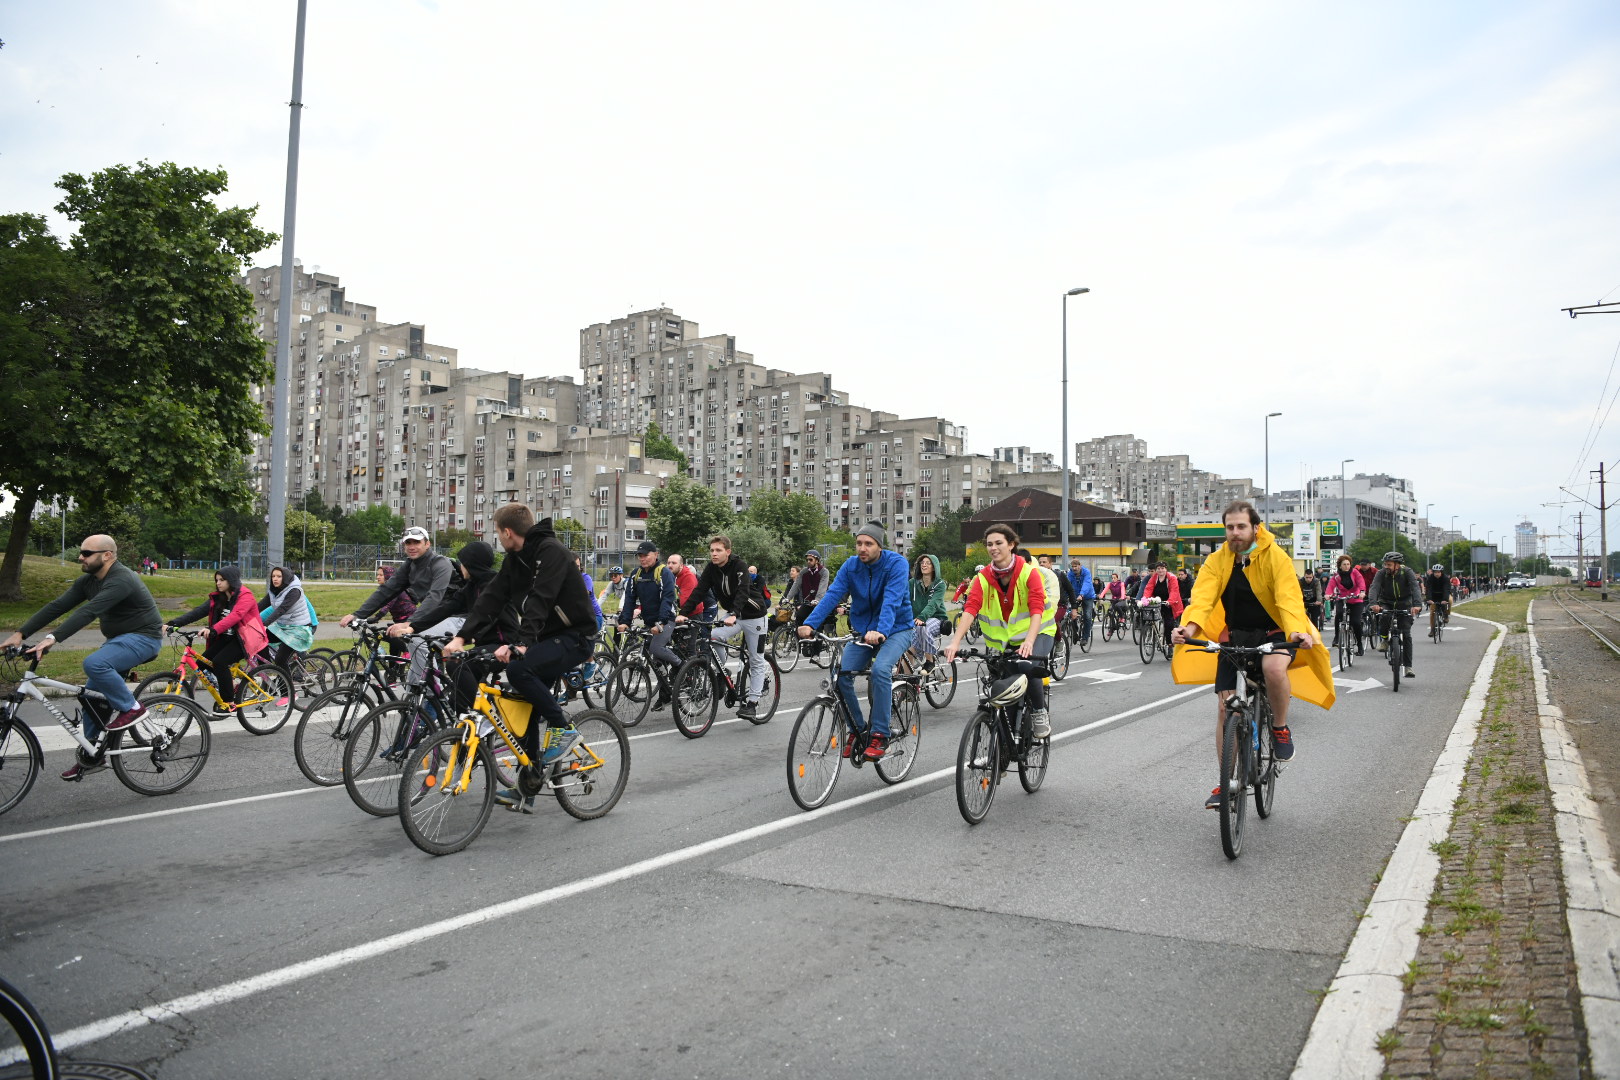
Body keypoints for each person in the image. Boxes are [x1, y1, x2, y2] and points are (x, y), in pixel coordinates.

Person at [1170, 501, 1333, 809]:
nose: (1235, 533)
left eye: (1241, 526)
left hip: (1275, 630)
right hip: (1236, 635)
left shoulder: (1275, 557)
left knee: (1273, 670)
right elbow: (1202, 598)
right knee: (1224, 710)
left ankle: (1280, 727)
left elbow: (1288, 598)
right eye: (1230, 527)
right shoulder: (1217, 561)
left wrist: (1297, 631)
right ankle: (1227, 784)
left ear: (1255, 528)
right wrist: (1188, 629)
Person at [445, 504, 597, 808]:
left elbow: (543, 596)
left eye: (498, 532)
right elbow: (492, 597)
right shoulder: (516, 560)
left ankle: (563, 728)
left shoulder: (551, 551)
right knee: (521, 704)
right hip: (548, 640)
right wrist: (463, 637)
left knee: (518, 671)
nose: (498, 538)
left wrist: (523, 643)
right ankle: (529, 784)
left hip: (576, 637)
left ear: (507, 532)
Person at [3, 534, 165, 779]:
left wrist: (52, 638)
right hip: (118, 641)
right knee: (92, 698)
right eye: (82, 552)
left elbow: (90, 611)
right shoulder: (88, 581)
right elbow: (57, 606)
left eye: (87, 553)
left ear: (107, 555)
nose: (81, 557)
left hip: (144, 638)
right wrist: (20, 633)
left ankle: (133, 708)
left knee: (94, 663)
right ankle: (93, 754)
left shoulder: (122, 579)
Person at [798, 521, 914, 760]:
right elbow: (832, 595)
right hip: (865, 632)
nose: (862, 548)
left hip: (897, 629)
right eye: (859, 543)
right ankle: (857, 729)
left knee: (881, 670)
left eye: (868, 544)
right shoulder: (851, 566)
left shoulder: (896, 564)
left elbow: (892, 599)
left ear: (879, 546)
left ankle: (881, 735)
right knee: (840, 676)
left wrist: (881, 630)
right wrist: (810, 623)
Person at [943, 524, 1054, 737]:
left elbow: (1037, 608)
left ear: (1011, 545)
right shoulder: (983, 578)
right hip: (1004, 641)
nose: (993, 548)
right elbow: (971, 608)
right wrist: (955, 642)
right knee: (1006, 690)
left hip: (1039, 632)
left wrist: (1029, 641)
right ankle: (1003, 754)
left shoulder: (1028, 573)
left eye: (998, 543)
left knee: (1026, 666)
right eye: (989, 544)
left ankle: (1039, 712)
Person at [389, 541, 503, 710]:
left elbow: (481, 616)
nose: (460, 567)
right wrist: (413, 627)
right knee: (456, 704)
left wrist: (461, 638)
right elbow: (445, 609)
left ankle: (484, 714)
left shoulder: (494, 586)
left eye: (463, 563)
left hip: (503, 645)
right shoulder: (470, 586)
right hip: (482, 644)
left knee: (455, 663)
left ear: (472, 564)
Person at [676, 535, 771, 718]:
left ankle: (752, 703)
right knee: (714, 636)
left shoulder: (739, 566)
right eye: (712, 550)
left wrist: (734, 613)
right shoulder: (711, 569)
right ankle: (722, 671)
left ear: (728, 551)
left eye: (718, 550)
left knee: (756, 659)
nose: (714, 554)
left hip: (754, 616)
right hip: (734, 615)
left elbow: (743, 591)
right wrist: (683, 613)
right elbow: (699, 591)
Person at [167, 566, 270, 716]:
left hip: (245, 639)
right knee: (202, 663)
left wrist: (214, 629)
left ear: (232, 580)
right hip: (227, 638)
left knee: (220, 662)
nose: (218, 583)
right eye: (216, 580)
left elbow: (235, 616)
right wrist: (173, 624)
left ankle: (229, 703)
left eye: (222, 580)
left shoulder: (245, 595)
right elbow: (197, 612)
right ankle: (228, 683)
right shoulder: (219, 597)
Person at [617, 540, 682, 710]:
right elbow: (630, 600)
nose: (642, 558)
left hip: (666, 619)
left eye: (645, 555)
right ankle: (666, 692)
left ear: (655, 555)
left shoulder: (664, 573)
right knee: (654, 658)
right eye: (640, 555)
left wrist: (660, 622)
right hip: (649, 621)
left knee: (656, 648)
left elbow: (668, 598)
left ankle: (680, 664)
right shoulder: (636, 574)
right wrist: (624, 621)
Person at [1366, 552, 1424, 678]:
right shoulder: (1381, 573)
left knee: (1407, 634)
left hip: (1405, 603)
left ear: (1397, 565)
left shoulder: (1407, 572)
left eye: (1389, 564)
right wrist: (1374, 604)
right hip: (1386, 601)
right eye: (1385, 564)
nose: (1386, 566)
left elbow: (1415, 588)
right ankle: (1385, 639)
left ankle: (1408, 667)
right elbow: (1374, 588)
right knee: (1384, 616)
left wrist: (1417, 605)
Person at [260, 566, 314, 680]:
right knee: (259, 637)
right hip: (284, 627)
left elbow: (281, 609)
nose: (275, 579)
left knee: (280, 658)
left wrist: (266, 624)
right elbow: (259, 607)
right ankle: (266, 668)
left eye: (279, 576)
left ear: (285, 578)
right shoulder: (274, 591)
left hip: (299, 629)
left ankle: (289, 690)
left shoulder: (295, 591)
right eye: (273, 576)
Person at [1324, 554, 1367, 655]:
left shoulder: (1355, 572)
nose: (1347, 566)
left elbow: (1361, 582)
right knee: (1338, 614)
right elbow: (1331, 586)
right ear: (1340, 566)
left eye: (1348, 564)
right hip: (1342, 599)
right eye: (1344, 564)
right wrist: (1328, 594)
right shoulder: (1336, 575)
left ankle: (1360, 645)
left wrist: (1362, 592)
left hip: (1356, 599)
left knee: (1355, 622)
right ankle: (1336, 637)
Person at [1136, 562, 1184, 648]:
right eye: (1158, 568)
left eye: (1162, 568)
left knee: (1169, 624)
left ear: (1166, 569)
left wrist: (1169, 601)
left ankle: (1169, 644)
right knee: (1150, 617)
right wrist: (1144, 600)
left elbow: (1174, 591)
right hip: (1157, 602)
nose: (1160, 570)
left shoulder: (1172, 578)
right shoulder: (1154, 578)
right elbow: (1148, 589)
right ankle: (1152, 631)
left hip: (1169, 604)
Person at [910, 553, 947, 662]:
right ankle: (910, 679)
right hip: (916, 621)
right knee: (908, 651)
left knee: (923, 627)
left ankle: (930, 661)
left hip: (936, 619)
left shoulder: (940, 584)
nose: (924, 565)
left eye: (928, 563)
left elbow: (934, 604)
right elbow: (904, 601)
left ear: (934, 567)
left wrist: (922, 617)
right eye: (922, 563)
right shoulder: (912, 583)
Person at [1038, 554, 1077, 638]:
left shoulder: (1059, 575)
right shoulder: (1036, 576)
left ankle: (1059, 641)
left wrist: (1074, 608)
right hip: (1044, 606)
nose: (1041, 564)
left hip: (1060, 606)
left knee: (1051, 620)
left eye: (1044, 562)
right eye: (1040, 562)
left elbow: (1070, 590)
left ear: (1050, 564)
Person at [1068, 558, 1097, 642]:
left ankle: (1085, 637)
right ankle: (1075, 632)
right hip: (1076, 596)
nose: (1074, 568)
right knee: (1071, 614)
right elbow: (1068, 585)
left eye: (1076, 566)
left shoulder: (1086, 572)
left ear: (1080, 566)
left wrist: (1082, 594)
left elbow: (1087, 583)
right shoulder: (1070, 574)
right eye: (1072, 566)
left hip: (1087, 596)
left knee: (1087, 616)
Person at [1423, 564, 1453, 638]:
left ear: (1441, 572)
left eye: (1438, 572)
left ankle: (1446, 614)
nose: (1437, 574)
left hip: (1443, 595)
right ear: (1433, 572)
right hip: (1433, 596)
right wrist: (1429, 599)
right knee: (1432, 612)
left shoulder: (1445, 578)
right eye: (1435, 572)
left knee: (1450, 600)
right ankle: (1432, 630)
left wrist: (1445, 600)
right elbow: (1428, 589)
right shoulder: (1430, 578)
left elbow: (1446, 589)